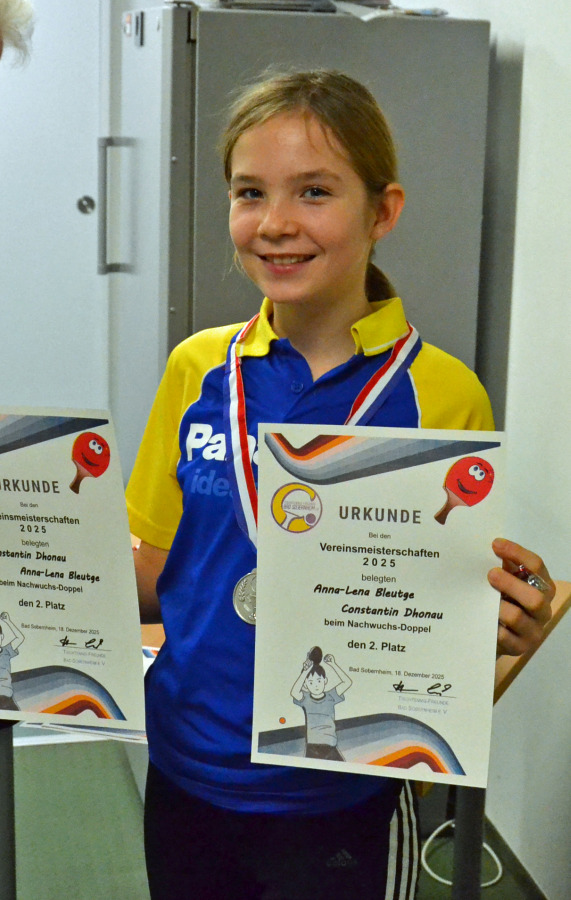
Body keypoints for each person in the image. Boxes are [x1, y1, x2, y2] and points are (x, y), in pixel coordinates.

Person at [126, 70, 555, 900]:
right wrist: (44, 574)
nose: (274, 223)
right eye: (249, 192)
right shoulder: (196, 369)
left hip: (340, 791)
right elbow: (157, 570)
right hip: (184, 764)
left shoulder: (441, 393)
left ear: (382, 212)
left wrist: (503, 622)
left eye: (314, 191)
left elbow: (432, 614)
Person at [290, 647, 353, 761]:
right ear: (306, 685)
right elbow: (294, 692)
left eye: (319, 681)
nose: (315, 685)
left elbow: (347, 682)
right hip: (313, 747)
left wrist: (333, 664)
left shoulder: (331, 695)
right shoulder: (305, 698)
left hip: (331, 746)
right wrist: (305, 671)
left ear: (325, 681)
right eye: (311, 682)